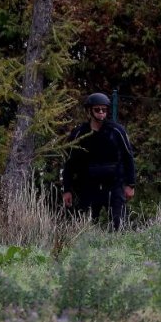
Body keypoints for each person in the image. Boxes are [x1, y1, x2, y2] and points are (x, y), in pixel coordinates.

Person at [62, 92, 136, 230]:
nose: (101, 113)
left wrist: (130, 184)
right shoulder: (79, 133)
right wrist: (67, 189)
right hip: (88, 185)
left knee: (119, 225)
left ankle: (119, 250)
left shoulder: (117, 131)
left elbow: (128, 156)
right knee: (83, 226)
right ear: (89, 111)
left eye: (104, 109)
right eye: (97, 109)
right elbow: (69, 163)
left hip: (114, 184)